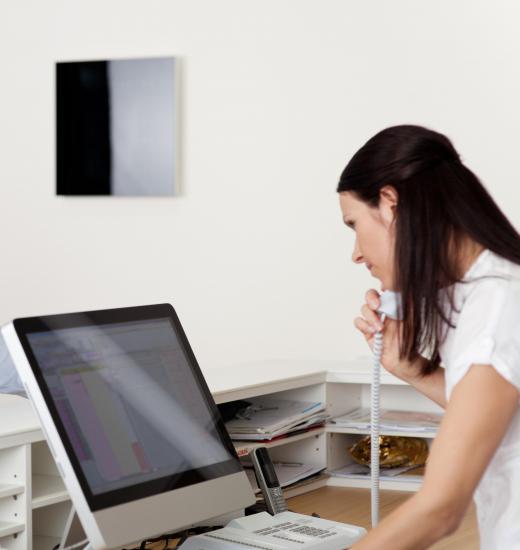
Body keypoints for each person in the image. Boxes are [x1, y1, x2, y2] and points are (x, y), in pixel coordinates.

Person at [337, 125, 520, 549]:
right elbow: (500, 418)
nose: (356, 254)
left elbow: (440, 509)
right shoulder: (486, 290)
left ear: (390, 204)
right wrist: (414, 370)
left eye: (353, 224)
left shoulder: (498, 303)